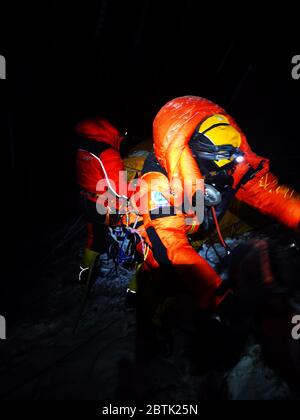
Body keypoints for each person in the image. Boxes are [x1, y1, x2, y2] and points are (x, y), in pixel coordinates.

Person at [129, 96, 300, 312]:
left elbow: (267, 192)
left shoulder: (227, 163)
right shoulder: (156, 180)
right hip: (162, 243)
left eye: (229, 162)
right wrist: (220, 297)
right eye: (216, 165)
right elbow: (170, 244)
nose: (224, 173)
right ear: (191, 155)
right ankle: (145, 309)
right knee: (158, 279)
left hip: (194, 233)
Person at [76, 117, 127, 284]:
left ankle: (84, 273)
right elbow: (119, 189)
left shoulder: (84, 147)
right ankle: (95, 274)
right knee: (105, 237)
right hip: (102, 205)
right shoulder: (107, 152)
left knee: (93, 239)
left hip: (86, 199)